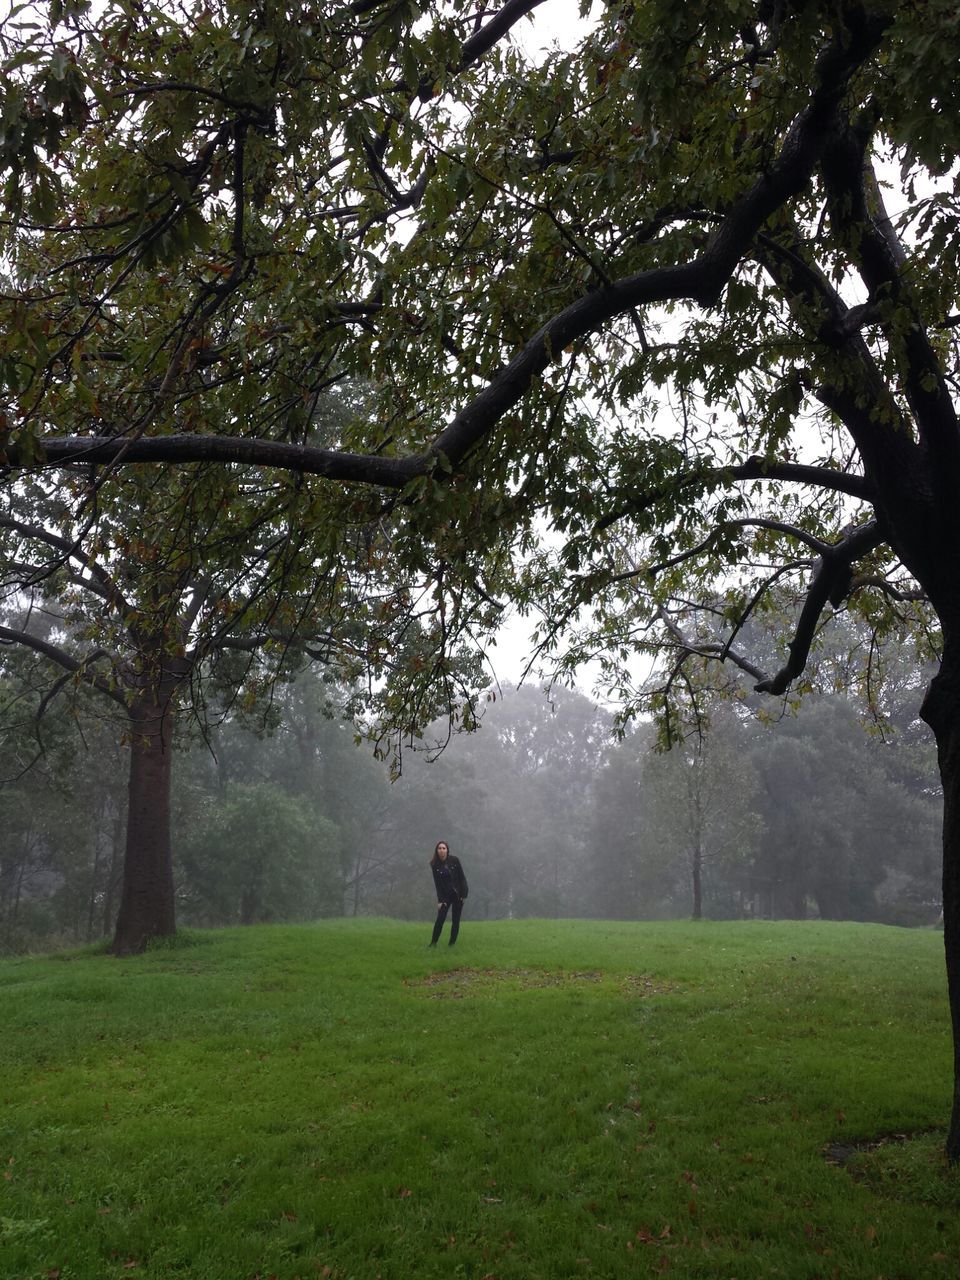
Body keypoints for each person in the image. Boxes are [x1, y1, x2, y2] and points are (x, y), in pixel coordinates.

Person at [428, 840, 468, 947]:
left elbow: (462, 878)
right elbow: (438, 884)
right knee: (440, 919)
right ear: (437, 850)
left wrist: (464, 895)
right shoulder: (434, 865)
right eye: (439, 848)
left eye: (444, 848)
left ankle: (451, 944)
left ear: (447, 850)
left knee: (456, 921)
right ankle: (433, 943)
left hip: (458, 894)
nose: (442, 850)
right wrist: (440, 900)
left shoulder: (454, 860)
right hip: (445, 896)